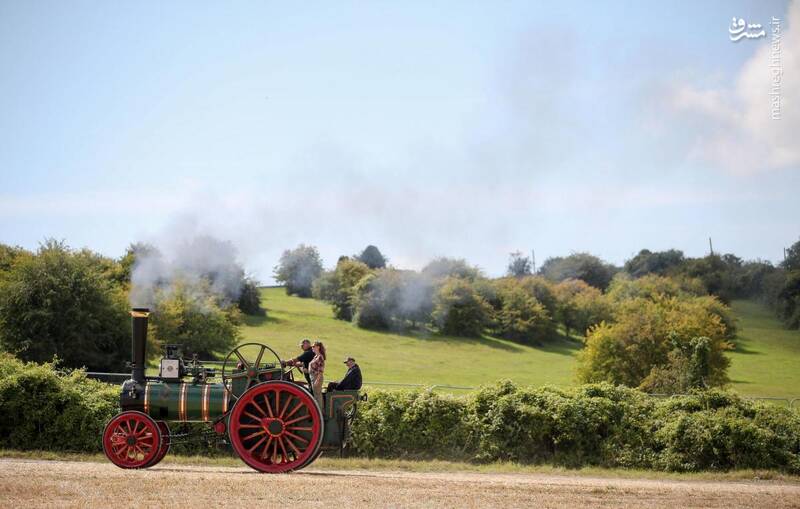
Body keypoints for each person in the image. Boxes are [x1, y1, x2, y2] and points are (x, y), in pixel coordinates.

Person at [305, 340, 326, 409]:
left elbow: (320, 370)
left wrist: (317, 380)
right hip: (313, 377)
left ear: (318, 347)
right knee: (315, 395)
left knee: (317, 395)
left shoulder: (320, 357)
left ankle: (319, 411)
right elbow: (314, 369)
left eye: (314, 346)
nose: (312, 348)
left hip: (317, 377)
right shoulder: (315, 356)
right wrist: (307, 370)